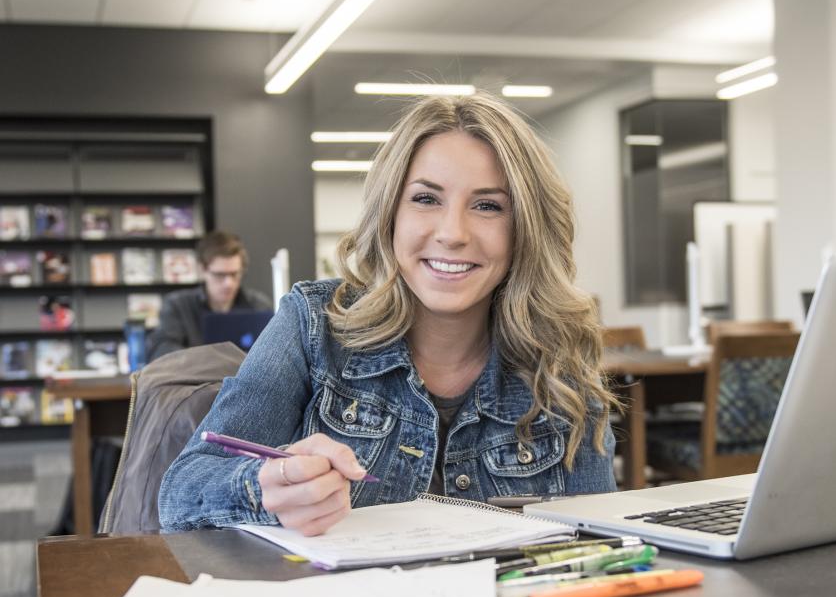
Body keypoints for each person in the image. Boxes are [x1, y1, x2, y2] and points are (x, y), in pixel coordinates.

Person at [158, 92, 618, 535]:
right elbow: (180, 494)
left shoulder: (557, 358)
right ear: (390, 213)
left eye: (488, 206)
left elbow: (599, 540)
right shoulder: (314, 323)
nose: (452, 233)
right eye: (426, 198)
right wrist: (264, 488)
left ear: (525, 229)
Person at [147, 230, 273, 361]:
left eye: (234, 274)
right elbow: (161, 351)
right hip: (195, 380)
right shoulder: (178, 305)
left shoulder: (259, 305)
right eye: (220, 275)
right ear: (202, 270)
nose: (228, 283)